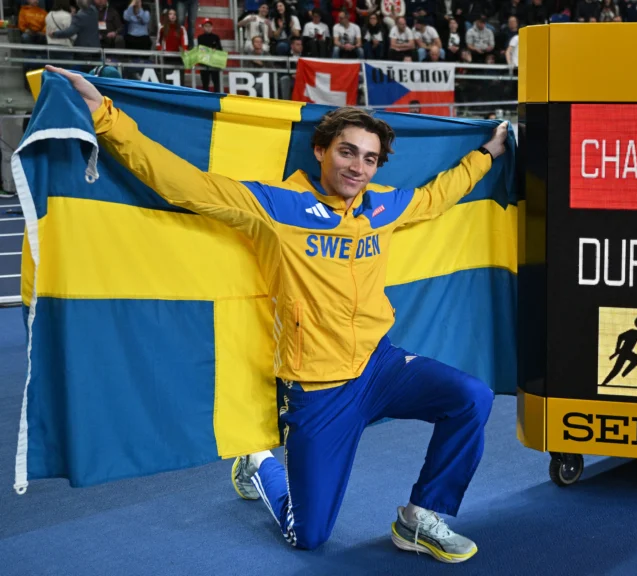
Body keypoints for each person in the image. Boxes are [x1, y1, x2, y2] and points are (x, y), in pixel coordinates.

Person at [46, 63, 508, 563]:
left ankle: (418, 518)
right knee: (308, 535)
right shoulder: (275, 205)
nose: (357, 167)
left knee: (471, 397)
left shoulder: (384, 207)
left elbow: (439, 196)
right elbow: (186, 186)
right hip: (319, 389)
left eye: (370, 159)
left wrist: (488, 154)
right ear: (321, 150)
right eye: (347, 152)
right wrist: (107, 117)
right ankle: (259, 461)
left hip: (380, 366)